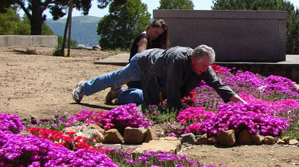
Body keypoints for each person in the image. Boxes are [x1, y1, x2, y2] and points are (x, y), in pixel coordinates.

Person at [73, 44, 247, 110]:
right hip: (143, 65)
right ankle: (84, 87)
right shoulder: (178, 59)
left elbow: (218, 84)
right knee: (115, 78)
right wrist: (177, 111)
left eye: (207, 66)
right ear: (194, 59)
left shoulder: (202, 66)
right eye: (203, 66)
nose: (205, 69)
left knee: (144, 99)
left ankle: (119, 94)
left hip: (156, 78)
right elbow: (172, 88)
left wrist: (244, 104)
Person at [104, 19, 169, 104]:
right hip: (137, 76)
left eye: (159, 34)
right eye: (156, 32)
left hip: (148, 76)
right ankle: (121, 95)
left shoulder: (155, 41)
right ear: (150, 27)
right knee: (145, 98)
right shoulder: (143, 38)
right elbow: (141, 57)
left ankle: (120, 92)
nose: (156, 36)